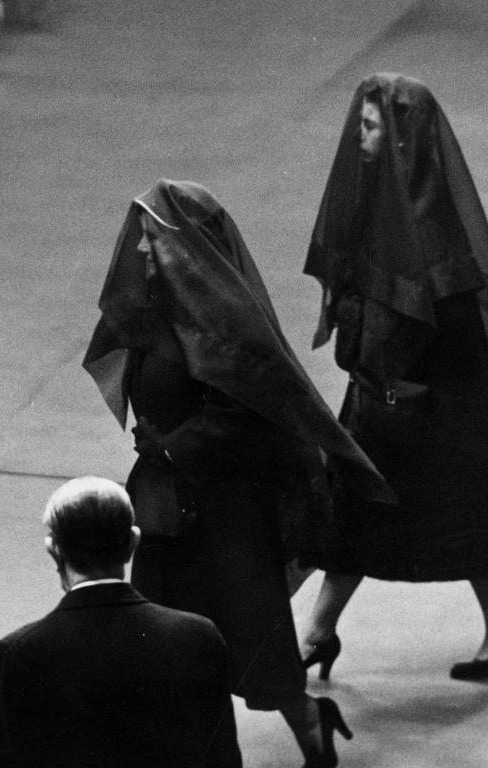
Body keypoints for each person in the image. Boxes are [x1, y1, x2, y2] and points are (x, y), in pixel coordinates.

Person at [83, 180, 394, 767]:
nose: (142, 250)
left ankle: (308, 721)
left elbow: (249, 416)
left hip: (227, 514)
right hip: (172, 506)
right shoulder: (158, 311)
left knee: (251, 643)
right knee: (161, 636)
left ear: (187, 247)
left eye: (153, 238)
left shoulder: (224, 323)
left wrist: (174, 449)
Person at [298, 72, 488, 681]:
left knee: (366, 509)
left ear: (403, 140)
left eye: (371, 127)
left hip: (417, 402)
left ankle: (319, 633)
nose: (360, 138)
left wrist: (366, 337)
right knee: (431, 513)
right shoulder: (388, 210)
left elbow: (419, 327)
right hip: (408, 399)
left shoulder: (428, 231)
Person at [0, 476, 241, 768]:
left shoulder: (19, 653)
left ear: (54, 550)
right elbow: (223, 758)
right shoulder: (198, 638)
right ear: (133, 542)